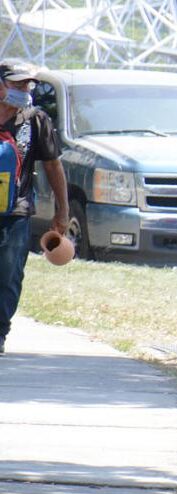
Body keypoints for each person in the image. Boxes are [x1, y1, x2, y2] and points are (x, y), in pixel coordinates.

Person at [0, 60, 68, 356]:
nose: (24, 90)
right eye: (16, 84)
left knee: (9, 275)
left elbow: (53, 165)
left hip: (17, 211)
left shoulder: (36, 120)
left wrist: (62, 210)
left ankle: (0, 330)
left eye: (28, 84)